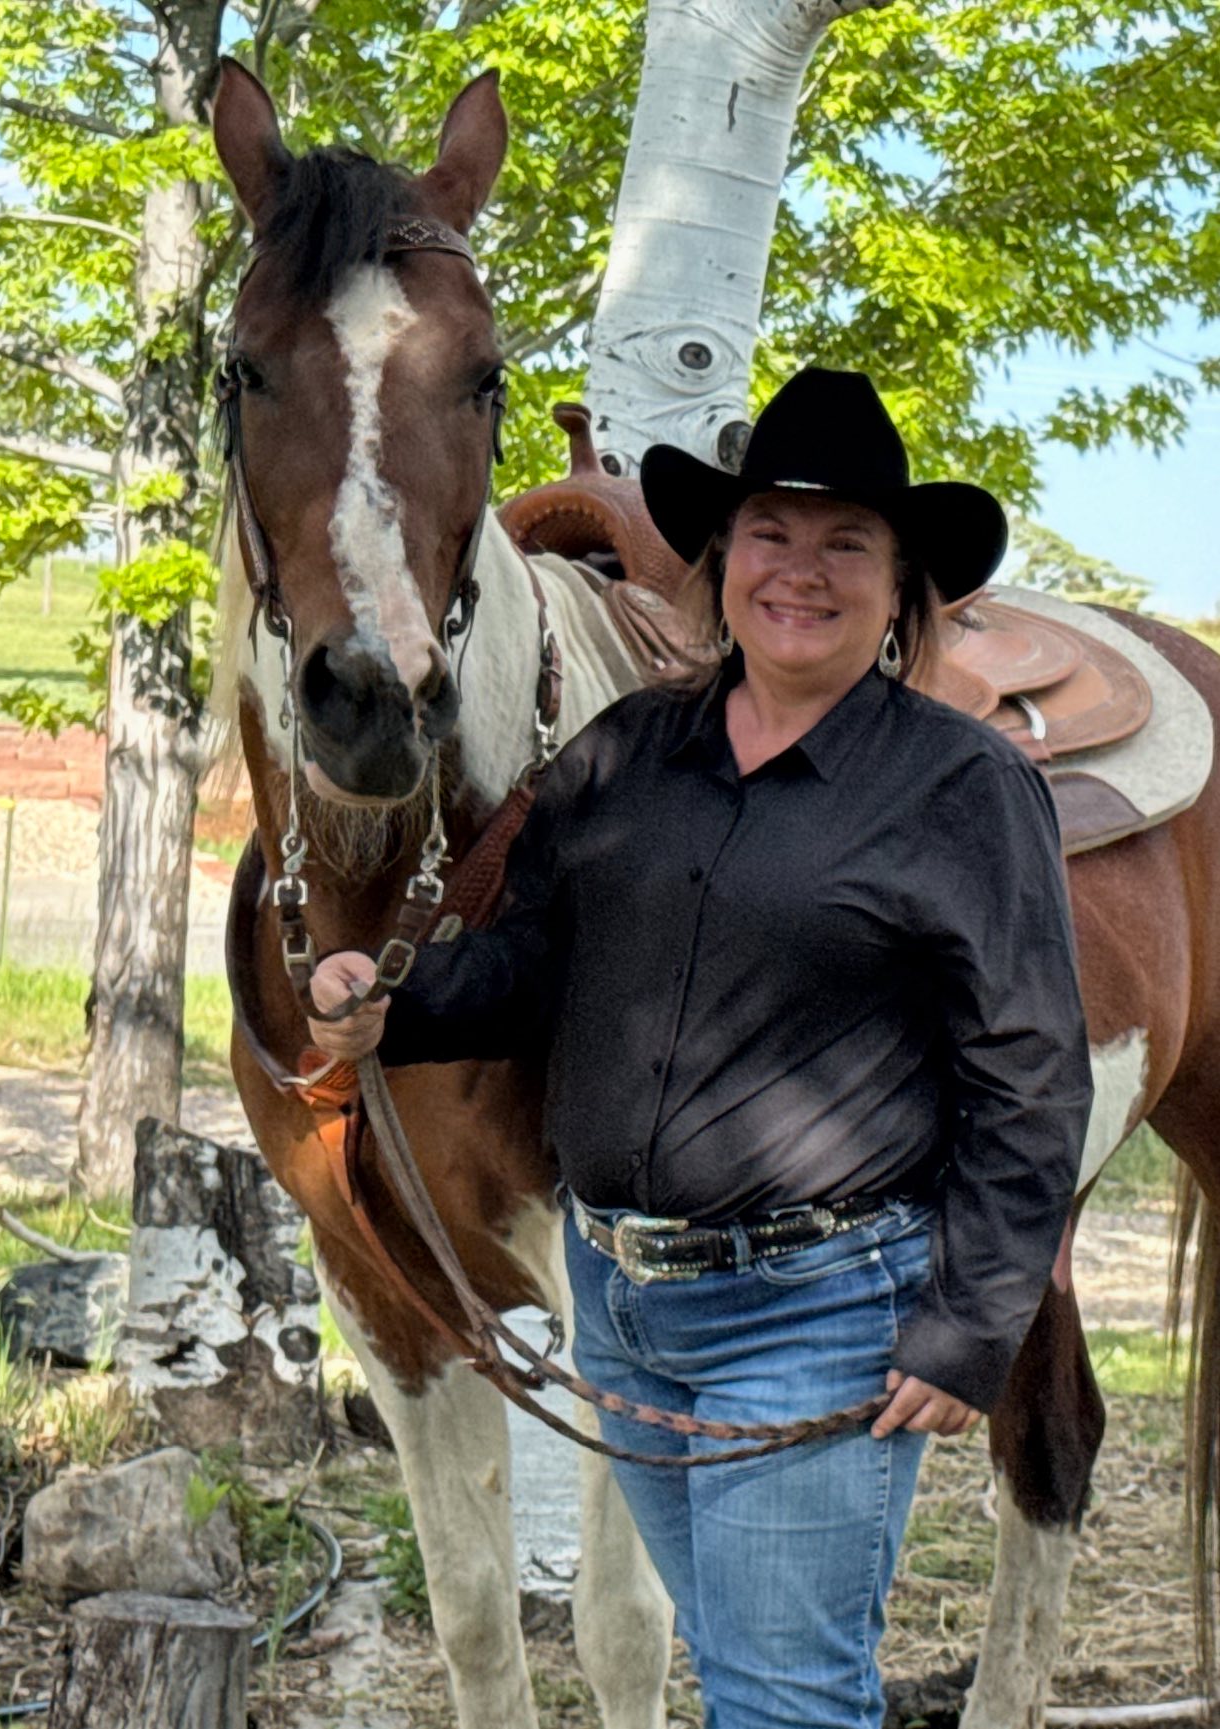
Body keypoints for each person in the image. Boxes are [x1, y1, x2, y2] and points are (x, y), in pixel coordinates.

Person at [306, 367, 1094, 1729]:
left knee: (780, 1699)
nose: (802, 571)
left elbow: (1032, 1076)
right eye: (771, 536)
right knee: (742, 1672)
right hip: (626, 1314)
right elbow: (536, 967)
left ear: (902, 581)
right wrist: (395, 1003)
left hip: (822, 1314)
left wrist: (971, 1325)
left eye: (848, 542)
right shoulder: (626, 755)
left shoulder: (967, 791)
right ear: (722, 559)